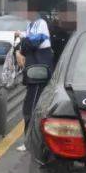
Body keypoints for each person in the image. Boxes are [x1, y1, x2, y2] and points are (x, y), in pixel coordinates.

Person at [14, 8, 55, 137]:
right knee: (30, 106)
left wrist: (21, 38)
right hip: (34, 72)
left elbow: (33, 42)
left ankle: (31, 139)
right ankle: (31, 138)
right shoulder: (31, 24)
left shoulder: (40, 23)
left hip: (38, 72)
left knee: (32, 107)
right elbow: (26, 43)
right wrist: (19, 49)